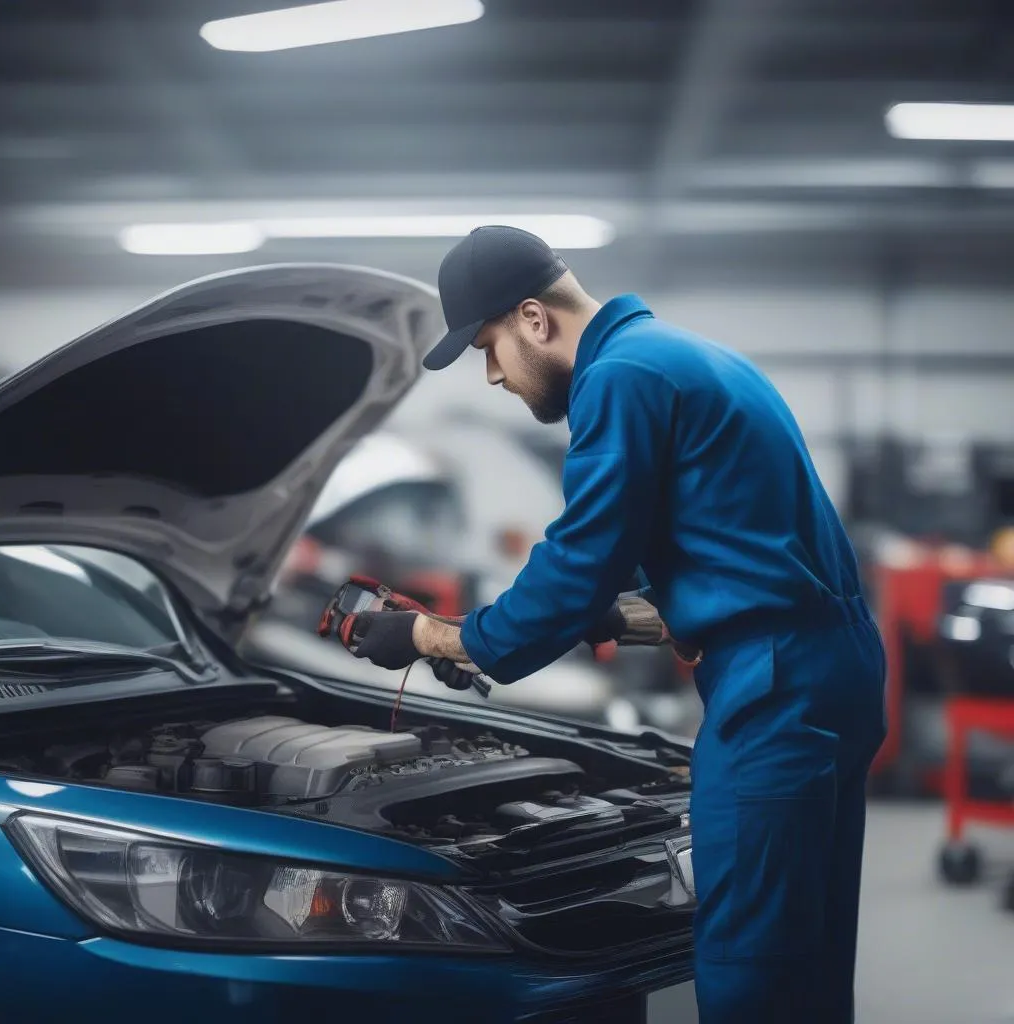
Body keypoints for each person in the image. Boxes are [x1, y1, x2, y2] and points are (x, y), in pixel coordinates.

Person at [347, 225, 887, 1023]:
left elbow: (577, 558)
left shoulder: (619, 380)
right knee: (806, 957)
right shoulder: (686, 355)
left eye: (490, 348)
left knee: (752, 970)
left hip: (772, 692)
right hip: (830, 670)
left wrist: (436, 636)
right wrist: (614, 609)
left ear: (534, 318)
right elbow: (704, 537)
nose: (493, 375)